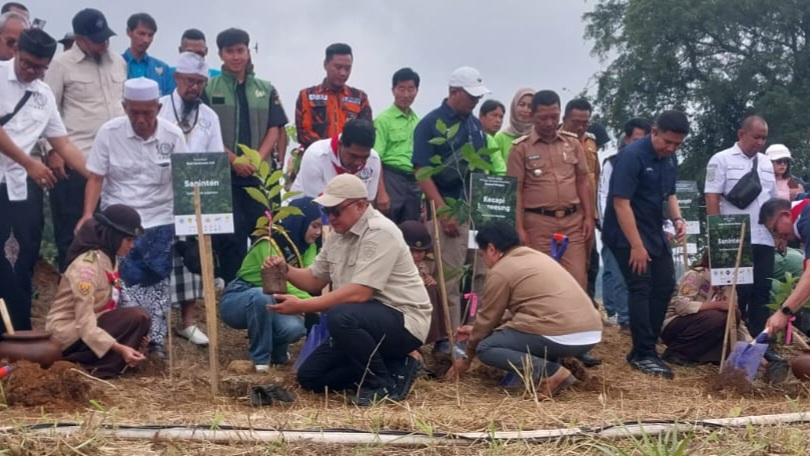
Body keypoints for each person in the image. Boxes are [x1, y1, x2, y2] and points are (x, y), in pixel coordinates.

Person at [268, 174, 431, 406]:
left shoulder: (380, 232)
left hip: (404, 321)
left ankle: (380, 383)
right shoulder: (338, 236)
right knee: (311, 377)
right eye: (327, 211)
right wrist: (286, 270)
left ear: (361, 206)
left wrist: (302, 306)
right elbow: (314, 280)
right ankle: (394, 365)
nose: (331, 217)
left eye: (336, 210)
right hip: (365, 320)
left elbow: (360, 293)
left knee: (341, 315)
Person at [82, 77, 187, 359]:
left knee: (156, 284)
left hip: (159, 218)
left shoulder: (173, 136)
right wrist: (87, 216)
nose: (141, 119)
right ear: (124, 106)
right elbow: (95, 177)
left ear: (159, 107)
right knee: (119, 283)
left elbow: (183, 181)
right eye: (134, 112)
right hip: (118, 220)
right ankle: (120, 342)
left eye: (147, 112)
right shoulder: (109, 132)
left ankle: (155, 343)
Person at [446, 222, 602, 396]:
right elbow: (520, 311)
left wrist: (467, 357)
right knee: (517, 333)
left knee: (486, 348)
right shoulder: (537, 257)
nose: (484, 261)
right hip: (590, 333)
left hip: (558, 334)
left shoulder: (501, 270)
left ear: (491, 249)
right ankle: (555, 372)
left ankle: (551, 372)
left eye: (482, 254)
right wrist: (477, 330)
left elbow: (488, 319)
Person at [0, 28, 88, 335]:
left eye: (41, 67)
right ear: (16, 52)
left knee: (19, 261)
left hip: (20, 189)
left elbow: (63, 144)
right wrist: (29, 162)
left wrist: (95, 174)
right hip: (18, 172)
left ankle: (16, 336)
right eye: (28, 64)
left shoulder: (43, 94)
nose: (33, 72)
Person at [602, 110, 689, 379]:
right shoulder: (631, 156)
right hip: (624, 233)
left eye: (677, 144)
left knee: (664, 284)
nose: (671, 148)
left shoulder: (670, 158)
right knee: (641, 285)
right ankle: (642, 353)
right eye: (667, 141)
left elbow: (670, 193)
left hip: (652, 230)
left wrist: (677, 218)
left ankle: (649, 344)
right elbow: (620, 203)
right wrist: (636, 246)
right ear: (654, 131)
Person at [412, 66, 490, 344]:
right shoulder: (431, 124)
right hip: (447, 212)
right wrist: (443, 210)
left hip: (475, 213)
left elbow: (483, 167)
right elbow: (422, 171)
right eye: (470, 97)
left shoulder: (475, 124)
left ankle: (475, 337)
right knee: (450, 281)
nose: (474, 102)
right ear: (453, 93)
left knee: (481, 274)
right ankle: (449, 342)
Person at [44, 8, 127, 272]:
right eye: (96, 40)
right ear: (79, 38)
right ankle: (69, 296)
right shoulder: (61, 65)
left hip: (115, 163)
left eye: (106, 38)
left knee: (111, 233)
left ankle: (107, 295)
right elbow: (46, 112)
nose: (103, 44)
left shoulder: (118, 63)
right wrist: (51, 151)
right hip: (75, 163)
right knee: (74, 233)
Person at [204, 28, 288, 282]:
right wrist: (234, 160)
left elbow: (274, 130)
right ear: (220, 54)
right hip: (223, 175)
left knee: (267, 230)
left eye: (240, 50)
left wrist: (255, 160)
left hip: (259, 176)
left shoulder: (265, 89)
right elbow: (206, 130)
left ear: (247, 51)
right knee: (230, 235)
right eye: (230, 51)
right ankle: (233, 290)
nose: (236, 56)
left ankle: (273, 286)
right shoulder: (209, 88)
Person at [158, 51, 224, 346]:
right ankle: (155, 321)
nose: (194, 87)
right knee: (158, 258)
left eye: (199, 82)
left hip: (193, 196)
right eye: (189, 81)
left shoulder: (209, 117)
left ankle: (188, 322)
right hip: (159, 193)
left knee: (192, 259)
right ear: (176, 78)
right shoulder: (157, 109)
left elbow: (216, 159)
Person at [45, 205, 151, 378]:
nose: (132, 245)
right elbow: (84, 323)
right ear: (114, 237)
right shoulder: (86, 268)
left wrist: (136, 334)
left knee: (139, 319)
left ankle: (108, 365)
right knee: (137, 316)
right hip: (69, 334)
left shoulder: (110, 258)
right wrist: (121, 347)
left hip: (92, 324)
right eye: (129, 240)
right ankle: (82, 366)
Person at [219, 197, 321, 372]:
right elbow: (286, 285)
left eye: (320, 226)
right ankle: (260, 360)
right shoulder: (269, 242)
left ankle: (277, 353)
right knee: (261, 296)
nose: (318, 232)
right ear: (300, 222)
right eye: (314, 226)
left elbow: (311, 278)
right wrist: (317, 306)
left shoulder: (309, 247)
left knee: (295, 328)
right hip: (240, 296)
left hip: (275, 299)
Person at [507, 90, 593, 290]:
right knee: (541, 282)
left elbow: (582, 181)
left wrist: (589, 216)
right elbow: (516, 191)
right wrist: (519, 228)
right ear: (532, 116)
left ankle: (575, 321)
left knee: (577, 280)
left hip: (573, 224)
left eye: (554, 117)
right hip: (538, 225)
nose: (549, 123)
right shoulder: (521, 149)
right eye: (543, 117)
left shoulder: (572, 144)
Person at [705, 116, 776, 337]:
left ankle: (760, 342)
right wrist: (717, 234)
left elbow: (773, 201)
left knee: (762, 292)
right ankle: (735, 339)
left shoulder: (765, 162)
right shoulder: (721, 159)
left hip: (764, 236)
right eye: (756, 137)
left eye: (764, 138)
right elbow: (712, 197)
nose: (760, 142)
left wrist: (780, 234)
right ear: (741, 134)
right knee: (738, 293)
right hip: (734, 237)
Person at [598, 118, 651, 332]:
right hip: (616, 229)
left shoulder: (652, 163)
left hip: (644, 229)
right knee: (618, 274)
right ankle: (625, 319)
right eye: (636, 139)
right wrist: (606, 226)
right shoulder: (612, 163)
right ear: (626, 139)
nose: (640, 144)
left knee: (644, 277)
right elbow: (603, 196)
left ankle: (642, 320)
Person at [660, 253, 753, 365]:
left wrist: (752, 347)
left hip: (702, 325)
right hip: (675, 325)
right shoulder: (695, 275)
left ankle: (703, 356)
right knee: (717, 317)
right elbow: (681, 307)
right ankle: (676, 353)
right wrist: (718, 305)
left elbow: (737, 323)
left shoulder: (729, 286)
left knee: (734, 314)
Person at [294, 43, 372, 151]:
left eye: (348, 68)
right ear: (325, 64)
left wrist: (345, 151)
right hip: (317, 157)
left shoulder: (359, 98)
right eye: (338, 67)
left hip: (350, 160)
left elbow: (366, 132)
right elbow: (304, 133)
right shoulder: (307, 96)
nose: (343, 73)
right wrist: (331, 150)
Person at [290, 118, 382, 202]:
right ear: (340, 144)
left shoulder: (373, 160)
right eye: (353, 156)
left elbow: (367, 201)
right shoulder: (316, 155)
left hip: (348, 212)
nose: (358, 162)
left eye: (364, 157)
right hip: (307, 210)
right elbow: (318, 203)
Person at [374, 67, 421, 224]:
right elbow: (375, 159)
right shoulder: (383, 120)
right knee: (386, 228)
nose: (406, 94)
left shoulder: (419, 122)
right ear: (393, 90)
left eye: (411, 89)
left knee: (410, 231)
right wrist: (381, 192)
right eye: (401, 89)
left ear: (417, 91)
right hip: (391, 179)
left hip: (413, 182)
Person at [122, 13, 173, 96]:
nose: (146, 40)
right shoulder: (115, 65)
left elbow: (169, 102)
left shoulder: (163, 69)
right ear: (129, 32)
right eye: (141, 34)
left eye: (150, 35)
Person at [493, 88, 534, 164]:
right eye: (522, 105)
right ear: (514, 106)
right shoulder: (500, 139)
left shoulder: (539, 138)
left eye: (530, 106)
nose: (525, 110)